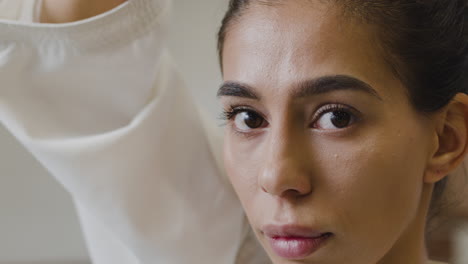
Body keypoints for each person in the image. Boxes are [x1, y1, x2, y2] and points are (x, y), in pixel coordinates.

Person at [0, 0, 467, 263]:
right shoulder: (207, 245)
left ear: (446, 139)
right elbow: (82, 43)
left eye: (336, 117)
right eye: (248, 117)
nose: (277, 176)